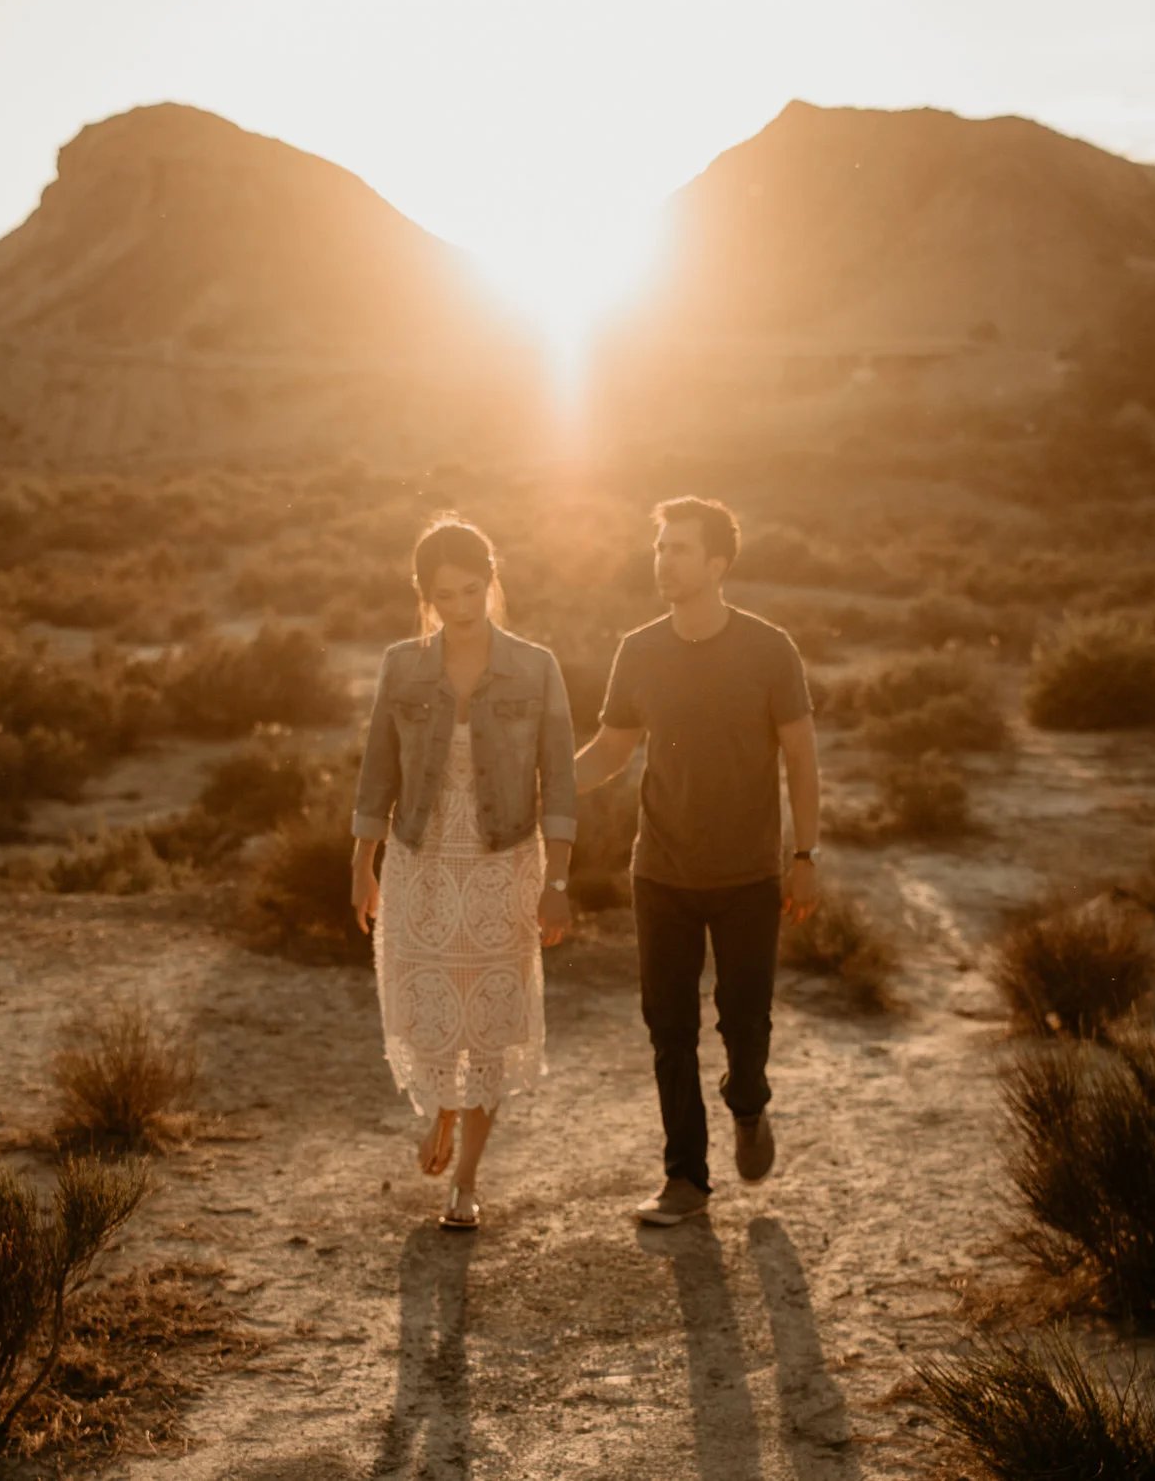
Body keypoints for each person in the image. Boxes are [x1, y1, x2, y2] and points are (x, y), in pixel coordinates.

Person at [573, 497, 820, 1227]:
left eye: (679, 549)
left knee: (745, 1018)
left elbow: (802, 756)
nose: (663, 560)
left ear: (717, 563)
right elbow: (613, 752)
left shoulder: (770, 649)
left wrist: (803, 852)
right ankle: (686, 1176)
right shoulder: (639, 650)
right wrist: (542, 777)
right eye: (660, 548)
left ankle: (748, 1102)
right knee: (667, 1024)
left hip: (749, 873)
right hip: (662, 871)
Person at [351, 518, 577, 1230]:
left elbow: (562, 784)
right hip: (419, 858)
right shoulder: (400, 664)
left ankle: (467, 1182)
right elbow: (375, 773)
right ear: (426, 595)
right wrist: (362, 864)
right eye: (444, 594)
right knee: (428, 1010)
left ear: (492, 578)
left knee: (490, 1020)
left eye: (472, 588)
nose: (461, 605)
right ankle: (441, 1108)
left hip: (503, 863)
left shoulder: (536, 666)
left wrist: (558, 880)